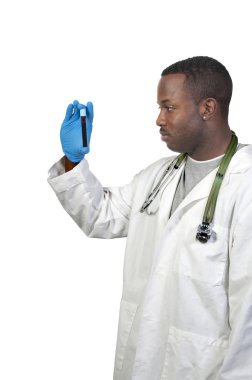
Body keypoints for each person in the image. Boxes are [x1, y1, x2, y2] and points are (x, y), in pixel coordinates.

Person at [48, 56, 252, 380]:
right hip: (143, 362)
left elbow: (249, 320)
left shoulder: (245, 184)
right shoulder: (157, 176)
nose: (158, 119)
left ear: (207, 108)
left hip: (203, 369)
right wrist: (74, 161)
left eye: (169, 107)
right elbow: (101, 216)